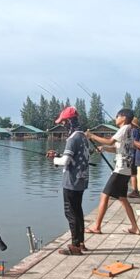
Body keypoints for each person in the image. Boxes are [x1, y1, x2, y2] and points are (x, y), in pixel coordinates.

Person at [85, 109, 140, 236]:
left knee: (104, 196)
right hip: (126, 170)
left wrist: (91, 136)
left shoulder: (124, 128)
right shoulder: (129, 131)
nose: (115, 118)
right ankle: (135, 227)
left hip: (120, 169)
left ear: (123, 117)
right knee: (123, 199)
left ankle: (97, 226)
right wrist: (104, 148)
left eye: (117, 116)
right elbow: (117, 149)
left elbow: (110, 141)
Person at [51, 105, 91, 255]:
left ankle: (75, 246)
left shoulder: (72, 138)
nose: (62, 125)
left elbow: (66, 161)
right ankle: (81, 242)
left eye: (63, 122)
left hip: (71, 182)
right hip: (81, 180)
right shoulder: (83, 137)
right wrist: (57, 157)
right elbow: (74, 157)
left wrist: (55, 159)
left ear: (69, 122)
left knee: (70, 213)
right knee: (78, 211)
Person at [129, 116, 140, 198]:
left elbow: (135, 143)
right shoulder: (136, 131)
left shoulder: (135, 131)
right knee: (132, 174)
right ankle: (134, 190)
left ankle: (135, 191)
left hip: (133, 155)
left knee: (133, 174)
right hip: (133, 155)